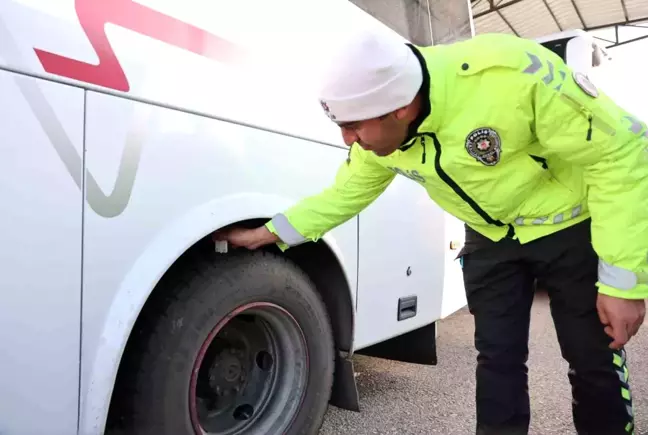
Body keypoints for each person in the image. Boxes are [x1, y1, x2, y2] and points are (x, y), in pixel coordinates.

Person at [214, 28, 648, 435]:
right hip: (491, 239)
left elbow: (622, 154)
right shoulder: (379, 133)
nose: (348, 140)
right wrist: (269, 234)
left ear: (401, 108)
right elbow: (342, 196)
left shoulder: (511, 76)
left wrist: (623, 283)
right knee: (498, 360)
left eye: (355, 127)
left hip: (569, 227)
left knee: (592, 358)